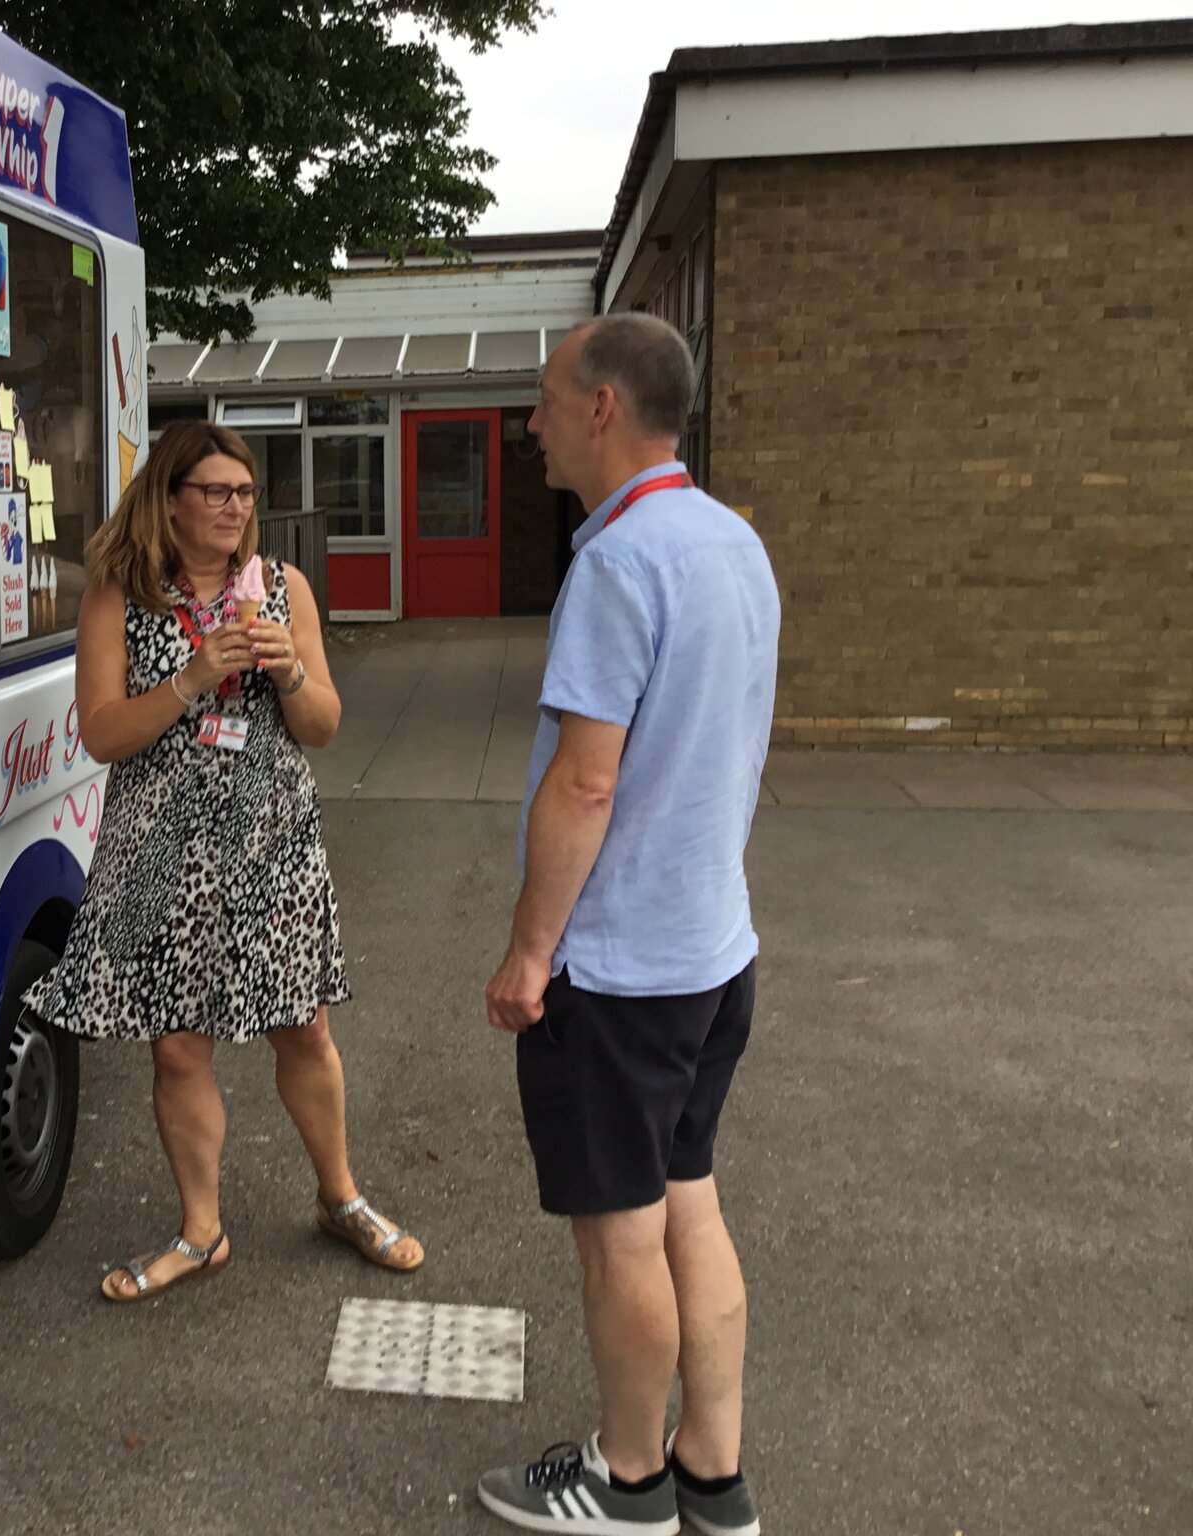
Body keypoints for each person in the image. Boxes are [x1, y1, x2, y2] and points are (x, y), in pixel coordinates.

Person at [477, 314, 779, 1535]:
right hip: (714, 951)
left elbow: (584, 781)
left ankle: (628, 1480)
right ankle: (713, 1477)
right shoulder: (731, 543)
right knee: (688, 1204)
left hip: (615, 972)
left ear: (601, 407)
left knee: (620, 1240)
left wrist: (527, 950)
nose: (530, 421)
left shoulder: (614, 563)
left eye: (546, 397)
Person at [24, 418, 424, 1302]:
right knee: (177, 1048)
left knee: (304, 1025)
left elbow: (321, 726)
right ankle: (201, 1231)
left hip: (268, 838)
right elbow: (99, 734)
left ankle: (341, 1197)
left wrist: (287, 673)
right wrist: (192, 679)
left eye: (245, 493)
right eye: (215, 491)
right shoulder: (118, 595)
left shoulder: (282, 588)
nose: (236, 507)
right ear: (169, 499)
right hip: (159, 848)